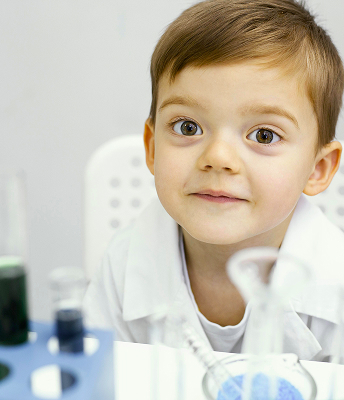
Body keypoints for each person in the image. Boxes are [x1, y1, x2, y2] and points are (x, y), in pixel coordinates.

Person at [83, 0, 344, 361]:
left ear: (318, 169)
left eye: (264, 135)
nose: (218, 158)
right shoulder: (124, 265)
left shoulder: (338, 286)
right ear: (153, 148)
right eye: (187, 127)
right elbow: (98, 380)